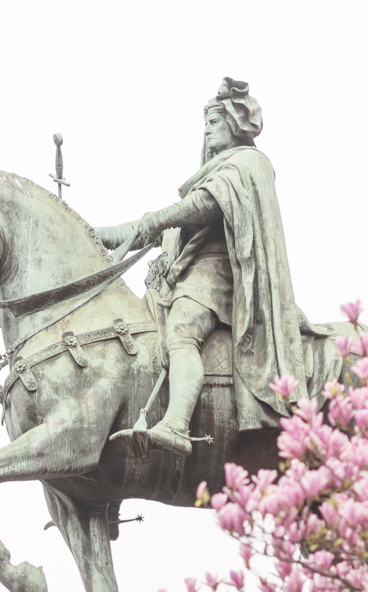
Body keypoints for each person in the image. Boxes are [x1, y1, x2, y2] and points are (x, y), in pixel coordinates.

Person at [95, 78, 307, 456]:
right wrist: (90, 234)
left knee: (181, 332)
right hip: (191, 273)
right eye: (206, 123)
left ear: (233, 124)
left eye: (214, 121)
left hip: (222, 273)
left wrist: (154, 220)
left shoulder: (247, 163)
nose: (207, 129)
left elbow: (204, 206)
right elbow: (143, 230)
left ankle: (176, 425)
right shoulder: (215, 171)